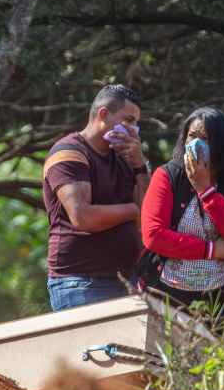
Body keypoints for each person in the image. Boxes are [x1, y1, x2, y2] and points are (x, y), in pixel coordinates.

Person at [42, 84, 150, 311]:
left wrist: (140, 165)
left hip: (127, 281)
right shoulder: (69, 152)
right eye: (128, 120)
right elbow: (82, 216)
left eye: (136, 123)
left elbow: (149, 214)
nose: (133, 129)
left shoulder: (124, 157)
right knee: (92, 348)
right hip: (82, 282)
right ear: (103, 114)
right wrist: (132, 211)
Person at [139, 107, 224, 315]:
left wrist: (206, 190)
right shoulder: (167, 175)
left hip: (218, 297)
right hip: (165, 293)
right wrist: (211, 250)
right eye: (192, 136)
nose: (196, 144)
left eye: (205, 138)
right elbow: (154, 236)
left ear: (223, 145)